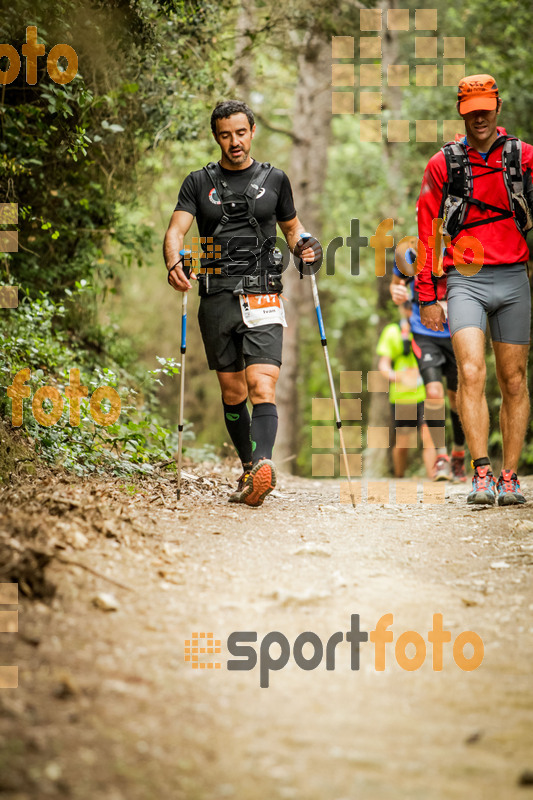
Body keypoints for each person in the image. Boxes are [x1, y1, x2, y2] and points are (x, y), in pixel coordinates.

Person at [164, 100, 320, 507]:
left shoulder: (276, 180)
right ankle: (251, 467)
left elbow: (292, 228)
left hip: (263, 291)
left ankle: (262, 465)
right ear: (216, 136)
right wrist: (173, 261)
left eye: (240, 132)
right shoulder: (198, 183)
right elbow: (176, 231)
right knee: (232, 392)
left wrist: (306, 246)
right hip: (215, 295)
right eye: (225, 135)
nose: (234, 141)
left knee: (261, 384)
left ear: (252, 131)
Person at [417, 74, 533, 506]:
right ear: (462, 111)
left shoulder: (524, 157)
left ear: (498, 106)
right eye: (471, 110)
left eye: (485, 108)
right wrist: (428, 295)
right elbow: (427, 232)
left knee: (514, 380)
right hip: (465, 279)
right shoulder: (442, 164)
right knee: (469, 372)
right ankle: (481, 473)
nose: (479, 117)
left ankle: (510, 476)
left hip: (513, 278)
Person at [390, 236, 467, 482]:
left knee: (457, 400)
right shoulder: (410, 250)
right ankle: (441, 458)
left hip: (458, 330)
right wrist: (398, 293)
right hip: (423, 331)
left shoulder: (464, 243)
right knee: (434, 393)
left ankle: (458, 454)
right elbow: (396, 288)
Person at [377, 302, 436, 479]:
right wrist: (399, 376)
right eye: (407, 307)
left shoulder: (427, 328)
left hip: (426, 394)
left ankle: (434, 476)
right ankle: (399, 475)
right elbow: (384, 364)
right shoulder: (392, 332)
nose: (410, 311)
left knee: (429, 436)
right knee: (403, 443)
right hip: (402, 397)